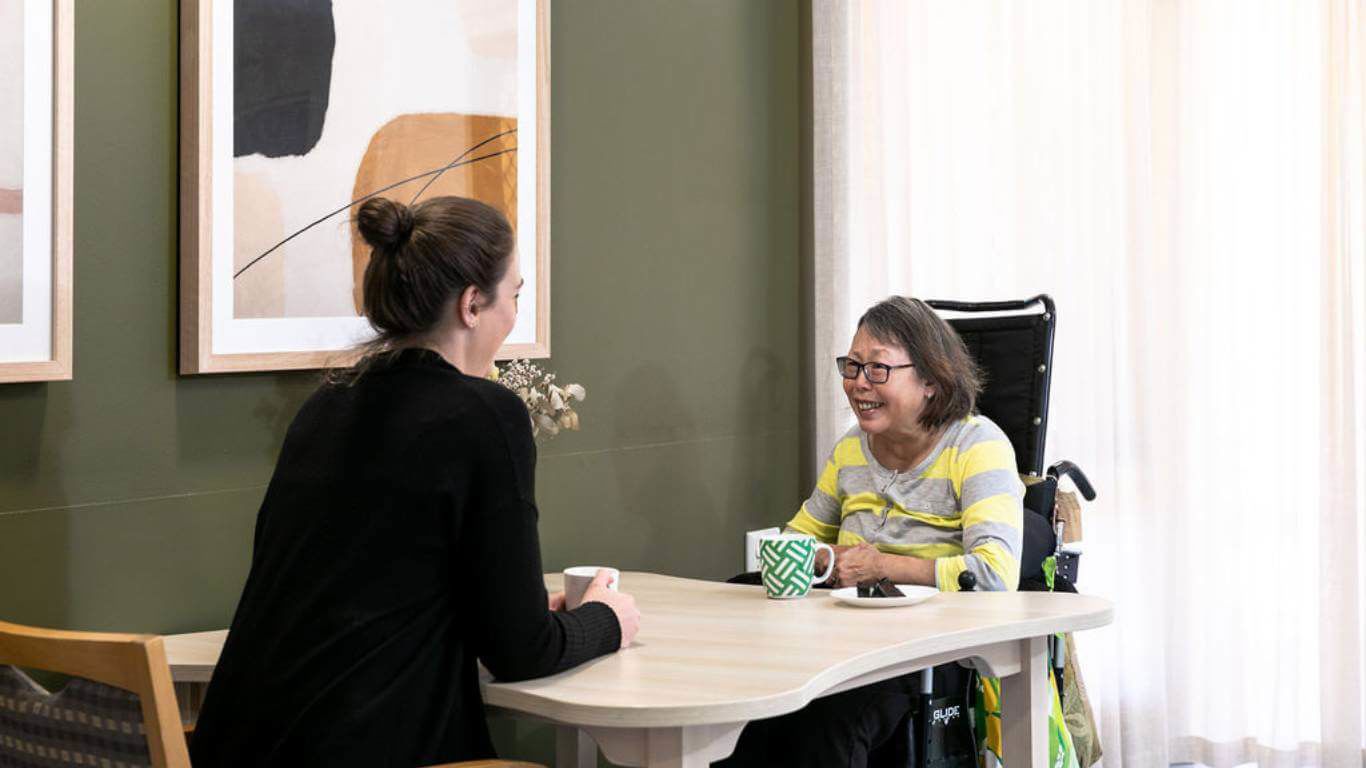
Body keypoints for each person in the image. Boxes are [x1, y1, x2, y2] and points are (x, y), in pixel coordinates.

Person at [190, 196, 640, 767]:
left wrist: (512, 604)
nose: (515, 314)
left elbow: (371, 587)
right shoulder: (485, 414)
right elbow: (522, 653)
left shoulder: (326, 405)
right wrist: (606, 619)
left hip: (240, 745)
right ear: (473, 304)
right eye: (516, 295)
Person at [720, 295, 1023, 768]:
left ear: (930, 380)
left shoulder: (977, 445)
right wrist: (822, 561)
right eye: (853, 366)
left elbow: (993, 573)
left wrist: (883, 566)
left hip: (927, 650)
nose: (858, 383)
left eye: (877, 369)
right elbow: (796, 539)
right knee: (737, 683)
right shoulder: (851, 449)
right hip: (838, 632)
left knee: (825, 716)